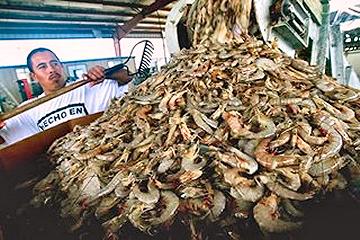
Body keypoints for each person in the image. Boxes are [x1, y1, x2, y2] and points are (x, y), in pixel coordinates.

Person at [0, 48, 131, 146]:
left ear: (61, 67)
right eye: (42, 67)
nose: (51, 69)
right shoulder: (27, 110)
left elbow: (129, 77)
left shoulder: (89, 85)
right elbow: (5, 139)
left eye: (55, 63)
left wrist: (107, 74)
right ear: (33, 76)